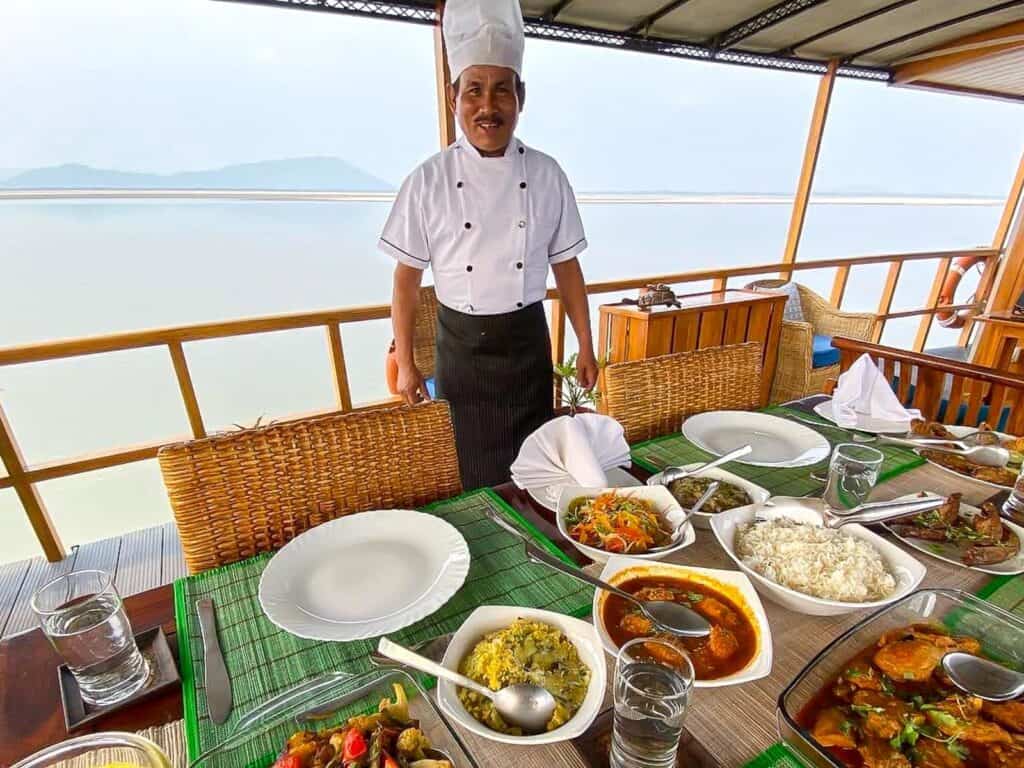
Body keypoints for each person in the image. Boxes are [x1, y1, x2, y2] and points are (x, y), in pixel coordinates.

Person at [379, 0, 596, 489]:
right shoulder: (427, 181)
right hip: (461, 351)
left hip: (527, 344)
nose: (487, 106)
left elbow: (568, 269)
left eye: (502, 91)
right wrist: (409, 366)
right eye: (473, 91)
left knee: (537, 469)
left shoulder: (546, 174)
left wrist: (584, 342)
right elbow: (405, 282)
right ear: (454, 96)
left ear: (521, 97)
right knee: (469, 469)